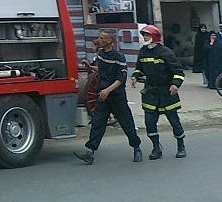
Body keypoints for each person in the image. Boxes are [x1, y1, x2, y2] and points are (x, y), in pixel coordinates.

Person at [74, 30, 142, 165]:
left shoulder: (119, 57)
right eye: (99, 37)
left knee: (126, 122)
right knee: (97, 123)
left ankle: (136, 148)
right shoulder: (101, 54)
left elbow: (121, 78)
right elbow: (102, 71)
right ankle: (90, 152)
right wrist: (91, 67)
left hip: (116, 96)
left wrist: (108, 90)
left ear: (110, 41)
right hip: (102, 95)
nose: (98, 40)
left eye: (102, 38)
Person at [131, 25, 186, 159]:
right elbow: (139, 68)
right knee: (149, 122)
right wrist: (135, 76)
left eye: (147, 35)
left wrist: (175, 85)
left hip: (167, 93)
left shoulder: (166, 52)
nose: (145, 37)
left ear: (155, 36)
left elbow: (178, 72)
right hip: (150, 93)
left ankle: (181, 146)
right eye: (144, 35)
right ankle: (156, 148)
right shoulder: (143, 51)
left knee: (174, 121)